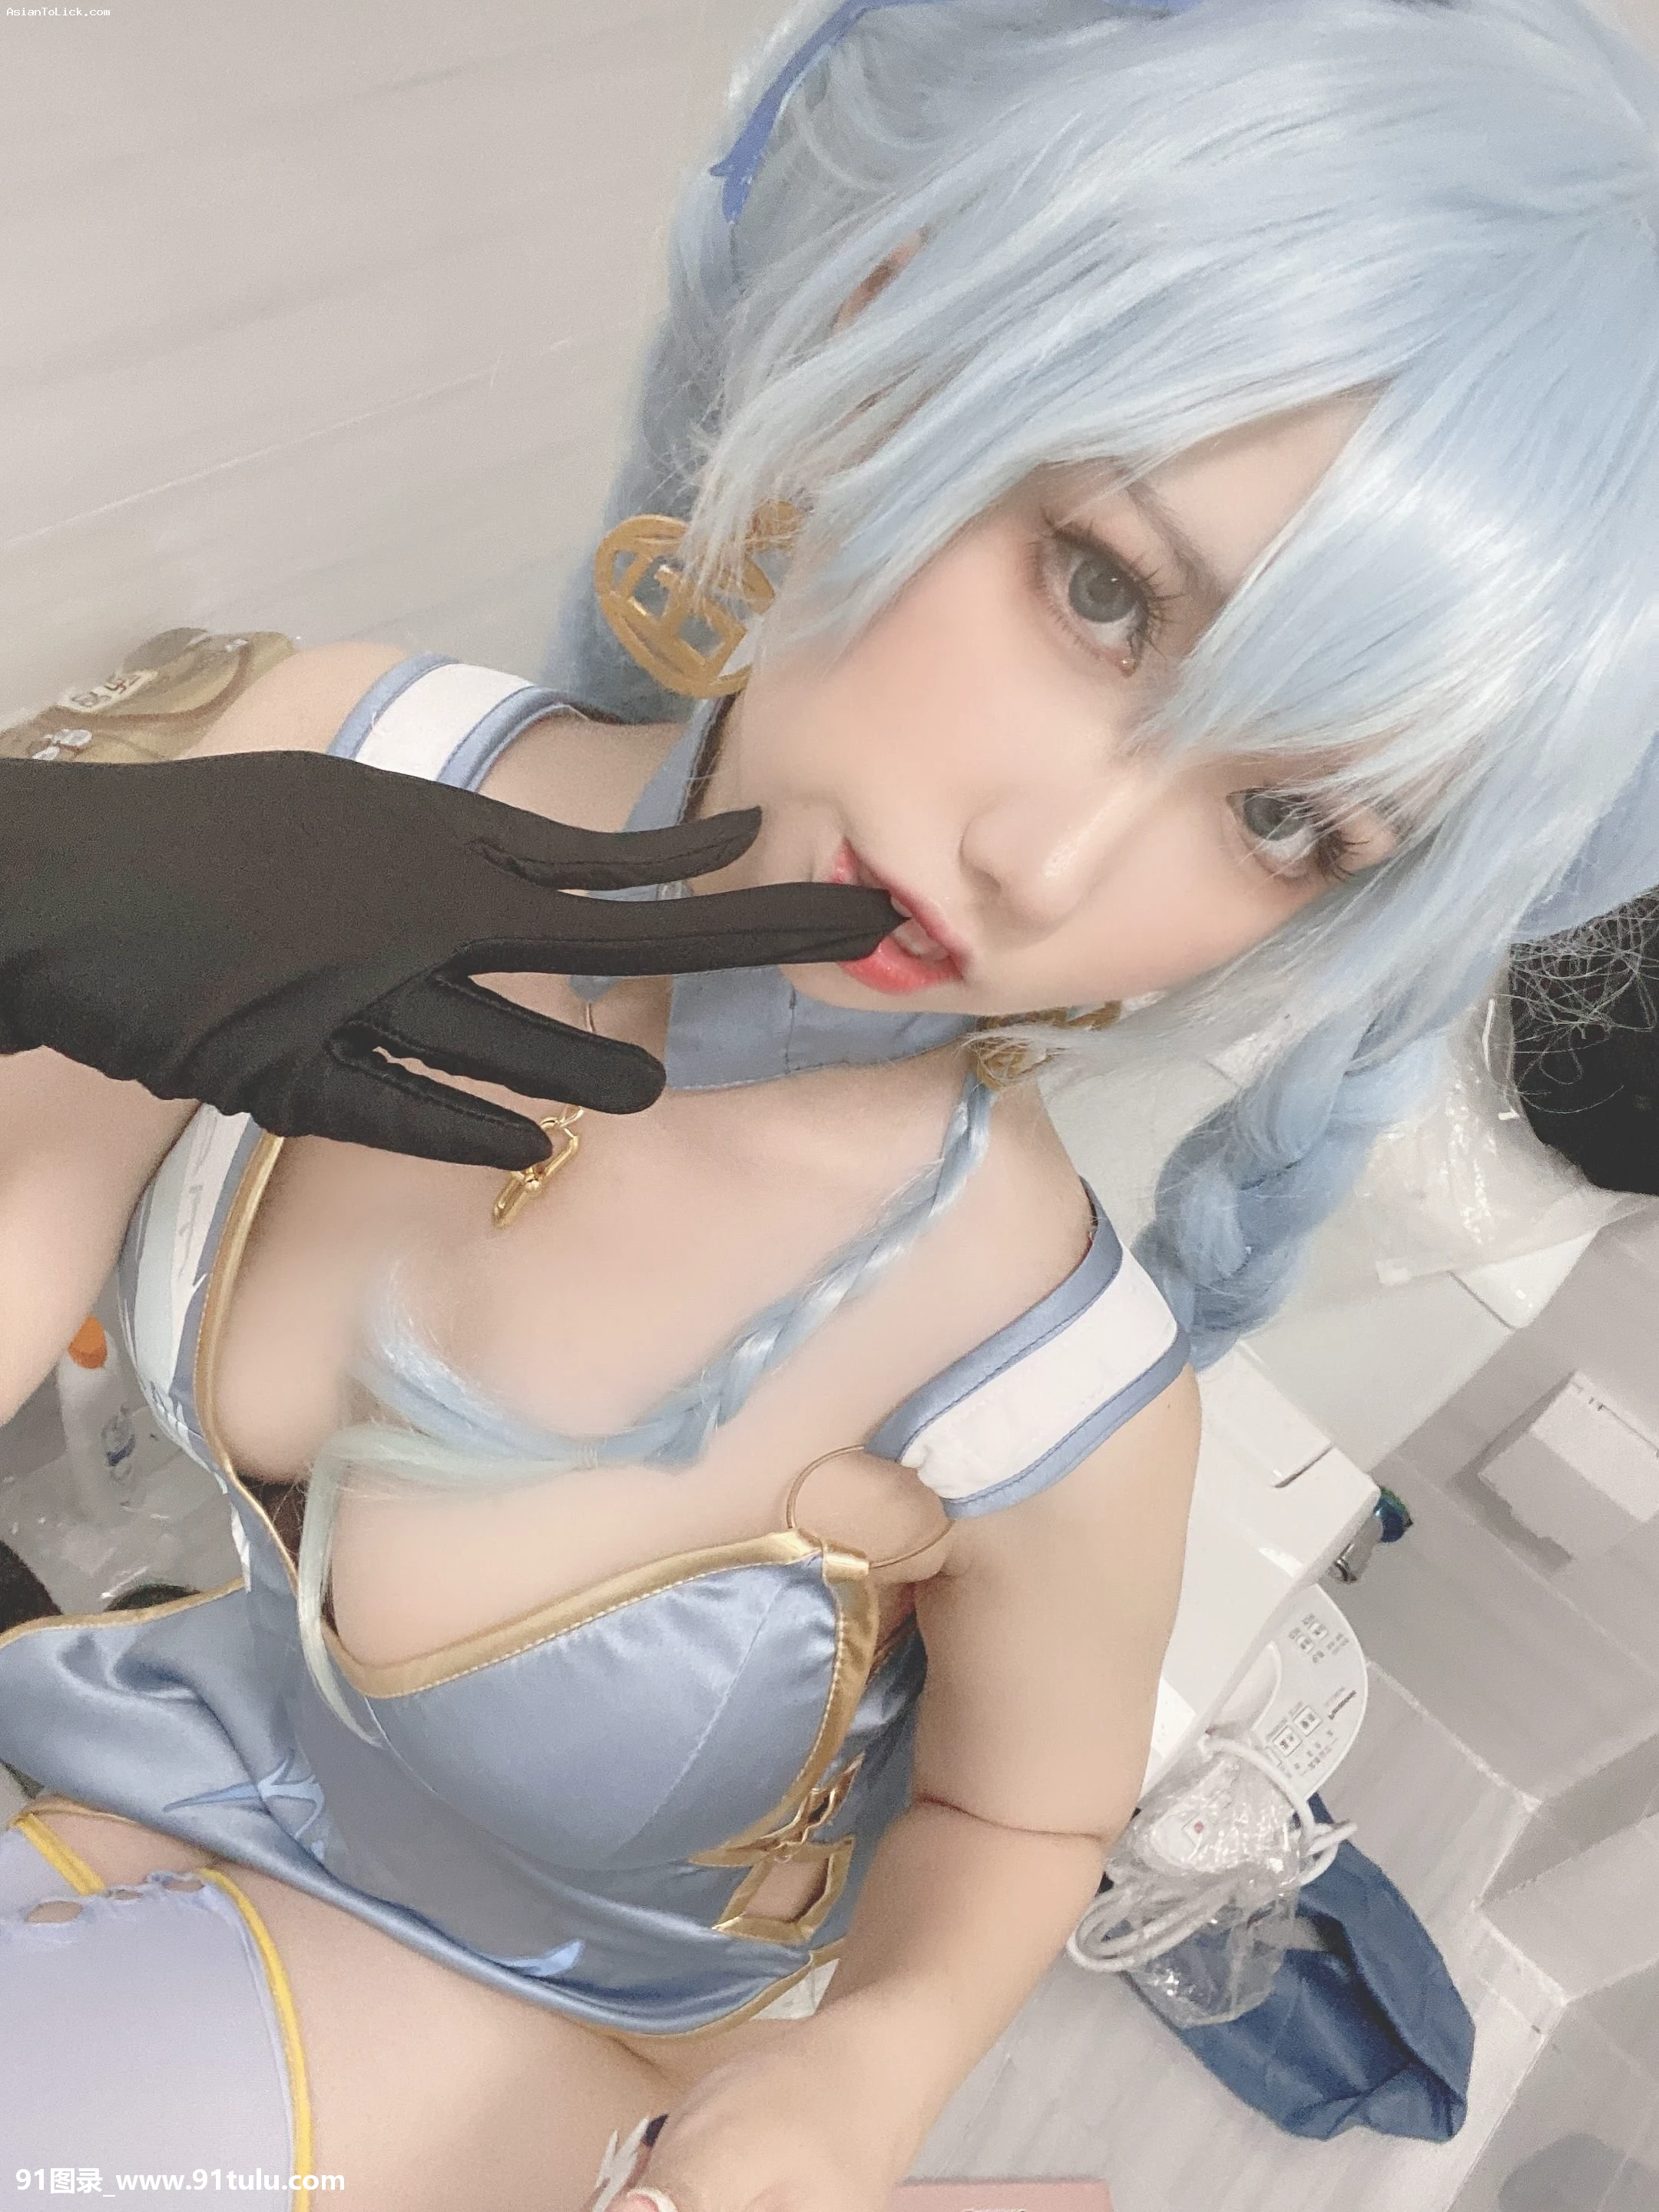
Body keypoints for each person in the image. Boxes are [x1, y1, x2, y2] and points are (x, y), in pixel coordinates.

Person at [1, 1, 1656, 2208]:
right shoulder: (322, 778)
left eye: (1290, 823)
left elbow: (1020, 1809)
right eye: (1104, 591)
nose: (1048, 867)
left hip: (544, 2032)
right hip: (144, 1749)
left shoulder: (1042, 1371)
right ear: (887, 343)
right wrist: (35, 880)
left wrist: (872, 2072)